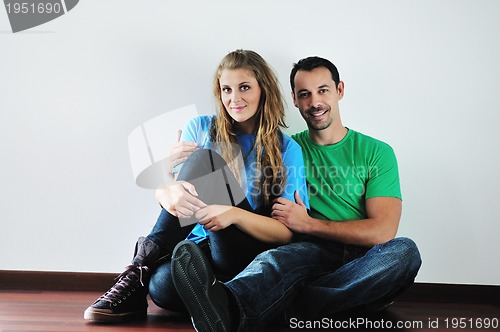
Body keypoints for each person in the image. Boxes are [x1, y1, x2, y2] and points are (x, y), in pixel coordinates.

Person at [169, 56, 422, 332]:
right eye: (305, 94)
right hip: (308, 250)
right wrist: (171, 176)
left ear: (340, 90)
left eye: (323, 90)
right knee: (274, 260)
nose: (314, 102)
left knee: (404, 252)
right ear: (294, 99)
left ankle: (272, 308)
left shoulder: (377, 152)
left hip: (363, 257)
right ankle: (250, 307)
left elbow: (383, 231)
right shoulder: (284, 148)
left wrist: (309, 224)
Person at [83, 49, 309, 323]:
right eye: (226, 89)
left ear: (264, 90)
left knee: (206, 158)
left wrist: (234, 214)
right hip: (199, 245)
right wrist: (166, 181)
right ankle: (210, 293)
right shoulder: (200, 128)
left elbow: (286, 233)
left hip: (243, 249)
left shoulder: (287, 149)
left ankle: (136, 272)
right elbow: (172, 202)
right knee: (161, 286)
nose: (234, 98)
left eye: (245, 87)